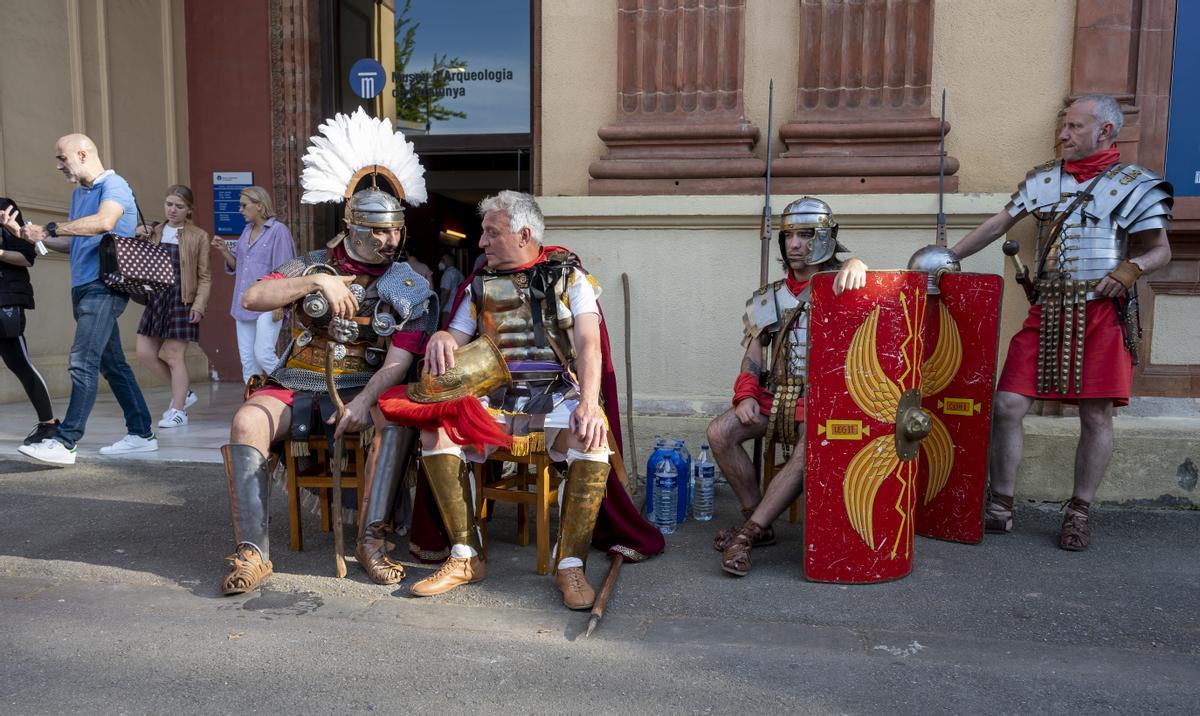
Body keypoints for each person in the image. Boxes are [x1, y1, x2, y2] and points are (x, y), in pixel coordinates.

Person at [379, 190, 664, 610]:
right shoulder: (478, 287)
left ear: (523, 234)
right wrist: (441, 334)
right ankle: (464, 557)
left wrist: (588, 403)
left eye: (491, 233)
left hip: (557, 394)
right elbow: (456, 338)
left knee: (591, 441)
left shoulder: (571, 280)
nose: (481, 243)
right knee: (437, 436)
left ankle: (570, 564)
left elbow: (589, 345)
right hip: (496, 397)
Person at [218, 109, 438, 595]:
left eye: (396, 231)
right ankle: (253, 553)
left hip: (366, 383)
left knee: (393, 418)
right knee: (246, 421)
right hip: (298, 379)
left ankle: (371, 541)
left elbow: (400, 361)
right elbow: (253, 296)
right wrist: (315, 280)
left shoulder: (408, 285)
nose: (390, 240)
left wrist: (363, 403)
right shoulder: (311, 264)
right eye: (380, 231)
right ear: (354, 227)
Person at [949, 93, 1172, 551]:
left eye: (1073, 126)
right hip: (1047, 308)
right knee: (1008, 404)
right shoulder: (1045, 180)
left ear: (1105, 131)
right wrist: (947, 257)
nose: (1063, 134)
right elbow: (999, 224)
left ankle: (1078, 512)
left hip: (1100, 314)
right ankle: (1001, 506)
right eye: (1063, 127)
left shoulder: (1134, 183)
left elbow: (1160, 249)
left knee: (1095, 414)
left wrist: (1131, 269)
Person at [705, 197, 867, 577]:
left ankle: (748, 534)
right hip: (775, 397)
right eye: (790, 235)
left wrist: (860, 266)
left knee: (807, 448)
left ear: (827, 237)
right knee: (719, 432)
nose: (795, 244)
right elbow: (754, 352)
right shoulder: (770, 296)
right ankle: (756, 517)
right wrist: (745, 393)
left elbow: (873, 311)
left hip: (824, 401)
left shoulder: (844, 285)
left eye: (806, 235)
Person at [14, 134, 155, 465]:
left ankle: (66, 441)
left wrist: (50, 229)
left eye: (62, 158)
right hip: (84, 287)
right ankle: (142, 433)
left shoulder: (113, 185)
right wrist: (32, 236)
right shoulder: (81, 194)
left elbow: (104, 222)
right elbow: (73, 242)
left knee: (82, 360)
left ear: (81, 154)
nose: (58, 165)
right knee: (113, 364)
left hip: (103, 288)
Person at [135, 185, 211, 428]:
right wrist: (136, 233)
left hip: (181, 299)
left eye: (179, 206)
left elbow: (205, 275)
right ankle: (183, 393)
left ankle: (178, 410)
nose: (173, 210)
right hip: (156, 298)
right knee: (144, 353)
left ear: (189, 210)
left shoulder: (198, 235)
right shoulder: (154, 231)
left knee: (174, 356)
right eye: (169, 204)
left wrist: (199, 304)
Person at [212, 186, 295, 384]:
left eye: (243, 205)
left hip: (269, 301)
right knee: (248, 361)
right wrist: (224, 250)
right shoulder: (247, 230)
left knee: (263, 353)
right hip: (244, 302)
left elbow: (285, 269)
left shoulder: (278, 231)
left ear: (259, 205)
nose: (240, 210)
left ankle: (292, 391)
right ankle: (253, 402)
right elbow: (238, 267)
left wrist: (280, 304)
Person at [0, 198, 59, 445]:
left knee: (18, 362)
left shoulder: (5, 208)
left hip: (5, 299)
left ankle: (48, 425)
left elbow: (27, 257)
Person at [437, 252, 464, 322]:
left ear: (449, 261)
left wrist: (439, 311)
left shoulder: (447, 274)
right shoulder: (459, 274)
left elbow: (445, 294)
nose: (441, 262)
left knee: (445, 331)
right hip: (458, 307)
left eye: (443, 260)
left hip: (447, 309)